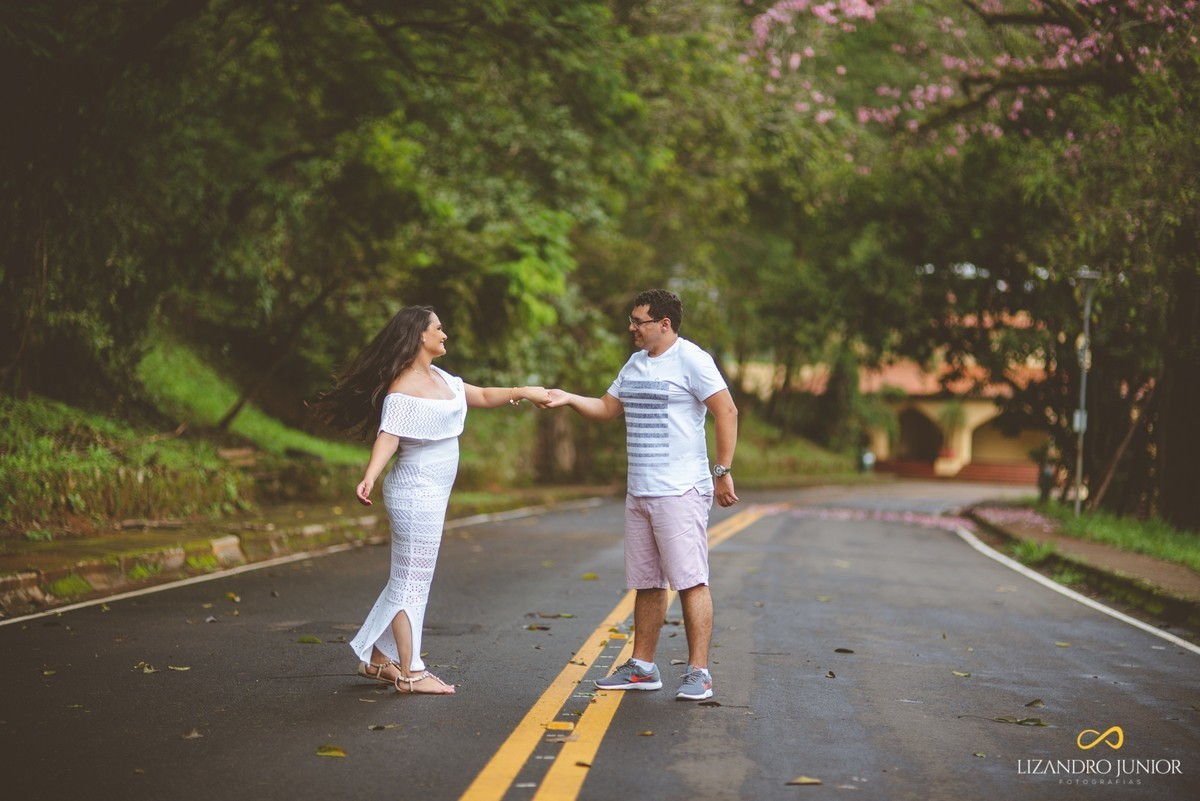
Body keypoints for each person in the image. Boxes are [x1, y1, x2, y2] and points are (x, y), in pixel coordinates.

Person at [312, 305, 549, 694]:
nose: (445, 334)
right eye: (439, 328)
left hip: (433, 494)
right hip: (413, 493)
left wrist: (523, 391)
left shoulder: (443, 378)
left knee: (410, 579)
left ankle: (377, 661)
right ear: (420, 336)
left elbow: (486, 395)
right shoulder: (402, 390)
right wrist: (369, 476)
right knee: (411, 581)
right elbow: (388, 437)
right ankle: (411, 671)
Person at [542, 288, 738, 701]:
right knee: (648, 582)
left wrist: (722, 471)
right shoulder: (634, 364)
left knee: (690, 581)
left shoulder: (693, 360)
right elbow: (607, 409)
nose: (631, 327)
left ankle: (699, 672)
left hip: (680, 490)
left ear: (664, 324)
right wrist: (569, 399)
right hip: (642, 491)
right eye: (632, 320)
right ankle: (643, 667)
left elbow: (727, 411)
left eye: (638, 321)